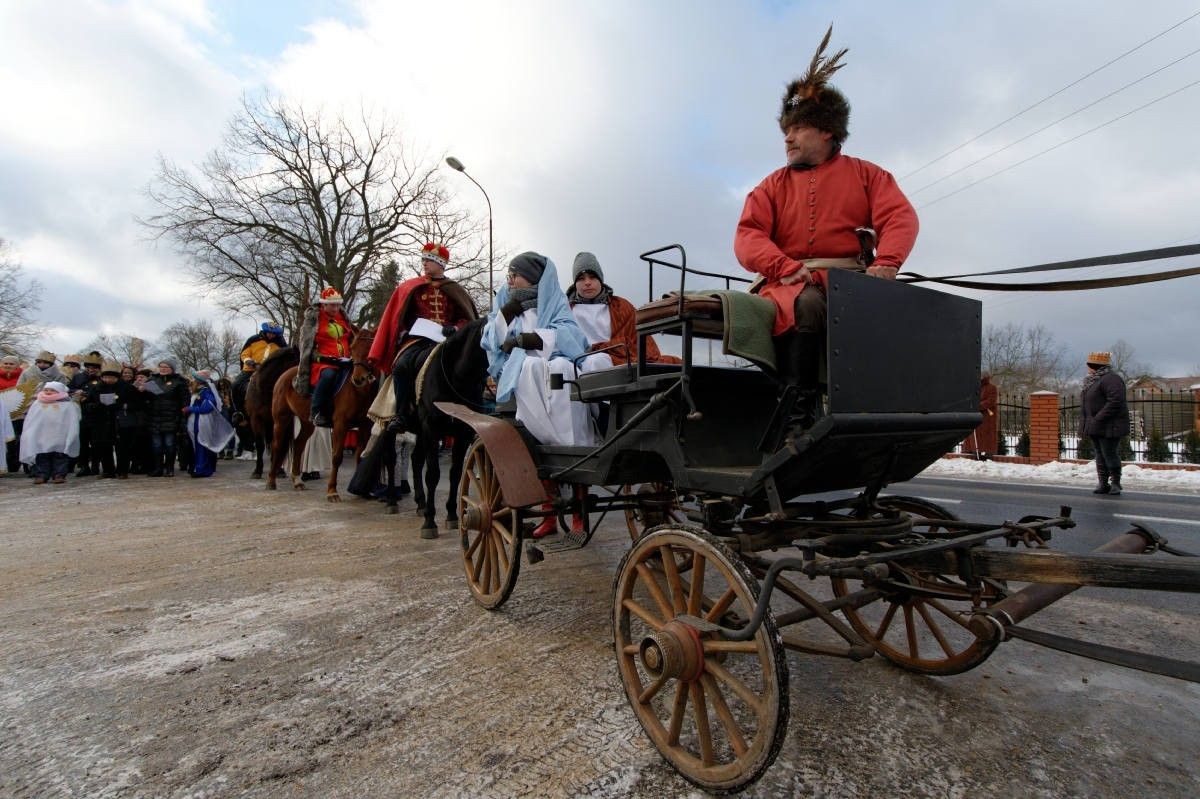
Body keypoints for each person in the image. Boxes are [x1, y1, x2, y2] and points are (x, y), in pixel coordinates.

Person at [733, 27, 918, 426]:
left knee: (910, 309)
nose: (788, 138)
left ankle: (880, 411)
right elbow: (747, 238)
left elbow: (900, 217)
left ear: (827, 131)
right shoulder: (770, 186)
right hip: (787, 287)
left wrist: (887, 262)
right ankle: (798, 413)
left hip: (853, 280)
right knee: (810, 303)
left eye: (797, 129)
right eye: (785, 131)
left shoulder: (869, 175)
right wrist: (784, 266)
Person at [482, 252, 592, 538]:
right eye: (509, 275)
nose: (510, 280)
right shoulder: (506, 299)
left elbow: (573, 336)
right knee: (532, 367)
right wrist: (505, 317)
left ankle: (578, 501)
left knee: (562, 367)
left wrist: (537, 338)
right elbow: (490, 341)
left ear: (531, 276)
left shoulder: (553, 301)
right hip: (522, 369)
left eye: (515, 274)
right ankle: (548, 513)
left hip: (554, 368)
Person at [368, 242, 477, 433]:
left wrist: (455, 327)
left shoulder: (455, 290)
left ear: (440, 264)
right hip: (418, 340)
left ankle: (469, 408)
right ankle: (401, 415)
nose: (424, 263)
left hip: (447, 341)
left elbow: (466, 318)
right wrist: (412, 327)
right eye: (423, 260)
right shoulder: (413, 287)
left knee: (467, 367)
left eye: (429, 260)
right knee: (401, 367)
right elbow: (401, 317)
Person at [565, 252, 677, 369]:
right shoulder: (566, 311)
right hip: (576, 360)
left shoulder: (621, 307)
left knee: (596, 361)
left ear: (600, 279)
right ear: (575, 284)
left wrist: (601, 349)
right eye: (581, 279)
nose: (587, 282)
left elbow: (638, 340)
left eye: (592, 277)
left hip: (613, 361)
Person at [295, 287, 355, 428]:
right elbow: (306, 345)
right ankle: (316, 411)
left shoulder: (343, 319)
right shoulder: (314, 320)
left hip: (345, 361)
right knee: (329, 375)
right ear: (324, 305)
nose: (336, 308)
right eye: (332, 305)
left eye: (338, 305)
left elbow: (352, 338)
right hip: (323, 363)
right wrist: (322, 357)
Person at [1079, 351, 1130, 496]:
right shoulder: (1093, 380)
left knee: (1109, 453)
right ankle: (1103, 482)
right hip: (1096, 425)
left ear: (1094, 365)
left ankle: (1115, 483)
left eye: (1088, 364)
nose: (1087, 367)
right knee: (1099, 454)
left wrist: (1098, 417)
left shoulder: (1111, 379)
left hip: (1110, 425)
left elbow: (1115, 401)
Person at [19, 381, 81, 484]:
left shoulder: (67, 404)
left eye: (52, 390)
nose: (48, 392)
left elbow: (72, 420)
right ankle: (42, 475)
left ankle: (59, 474)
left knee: (60, 455)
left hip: (60, 434)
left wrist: (70, 433)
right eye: (46, 390)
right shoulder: (38, 403)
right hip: (41, 435)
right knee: (42, 455)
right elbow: (31, 419)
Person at [79, 359, 130, 478]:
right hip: (101, 420)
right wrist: (95, 405)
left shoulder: (125, 388)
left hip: (119, 420)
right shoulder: (96, 388)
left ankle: (122, 470)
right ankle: (108, 470)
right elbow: (87, 403)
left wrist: (121, 405)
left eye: (111, 378)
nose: (108, 380)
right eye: (106, 377)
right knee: (103, 446)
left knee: (121, 447)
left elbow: (133, 403)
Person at [183, 369, 235, 478]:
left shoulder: (205, 391)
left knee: (201, 443)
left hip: (202, 421)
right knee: (199, 444)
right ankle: (201, 467)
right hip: (197, 420)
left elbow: (208, 407)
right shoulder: (201, 391)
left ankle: (202, 468)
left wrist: (191, 409)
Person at [144, 358, 191, 477]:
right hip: (155, 417)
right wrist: (142, 390)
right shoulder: (152, 379)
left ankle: (170, 468)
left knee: (170, 445)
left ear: (172, 369)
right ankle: (158, 468)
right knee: (156, 445)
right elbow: (147, 398)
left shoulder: (179, 381)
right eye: (161, 367)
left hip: (171, 417)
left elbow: (185, 399)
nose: (163, 369)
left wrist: (182, 414)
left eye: (166, 367)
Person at [234, 321, 287, 421]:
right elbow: (244, 354)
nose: (271, 335)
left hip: (270, 373)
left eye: (273, 333)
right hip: (251, 369)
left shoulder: (281, 344)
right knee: (236, 385)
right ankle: (239, 411)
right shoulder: (253, 340)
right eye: (269, 332)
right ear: (265, 331)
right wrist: (250, 362)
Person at [962, 372, 999, 460]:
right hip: (975, 415)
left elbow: (991, 401)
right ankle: (974, 451)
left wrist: (977, 406)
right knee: (974, 434)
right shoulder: (975, 388)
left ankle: (988, 453)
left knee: (987, 434)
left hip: (987, 416)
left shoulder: (992, 388)